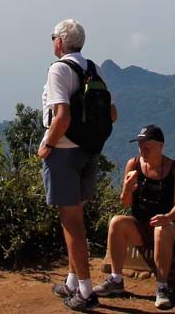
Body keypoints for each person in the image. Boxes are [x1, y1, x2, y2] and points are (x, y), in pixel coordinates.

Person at [40, 19, 118, 311]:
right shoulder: (93, 69)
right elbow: (112, 114)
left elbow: (62, 117)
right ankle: (73, 281)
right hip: (89, 152)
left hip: (64, 153)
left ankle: (85, 291)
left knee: (71, 223)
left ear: (60, 42)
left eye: (52, 38)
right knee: (76, 218)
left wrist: (47, 145)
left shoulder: (58, 69)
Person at [92, 124, 175, 310]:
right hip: (140, 224)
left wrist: (166, 217)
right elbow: (126, 204)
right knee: (116, 222)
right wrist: (127, 189)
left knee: (161, 229)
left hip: (169, 226)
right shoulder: (133, 165)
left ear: (160, 146)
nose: (142, 150)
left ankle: (162, 287)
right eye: (140, 146)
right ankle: (116, 280)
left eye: (147, 146)